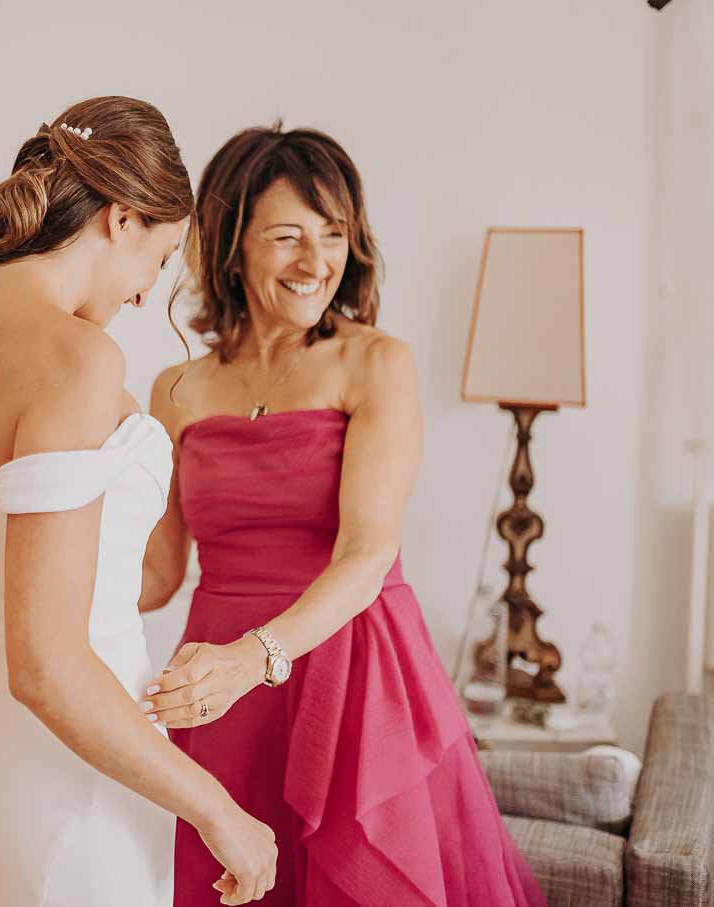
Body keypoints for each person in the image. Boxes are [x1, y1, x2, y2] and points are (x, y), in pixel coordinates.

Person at [0, 97, 277, 907]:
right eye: (160, 258)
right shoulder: (78, 359)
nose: (148, 293)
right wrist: (216, 808)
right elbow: (46, 666)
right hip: (75, 768)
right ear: (121, 219)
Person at [138, 124, 546, 906]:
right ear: (230, 245)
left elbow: (366, 553)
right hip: (222, 696)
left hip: (350, 676)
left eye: (333, 234)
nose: (317, 261)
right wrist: (15, 582)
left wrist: (249, 658)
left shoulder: (375, 362)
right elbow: (157, 571)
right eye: (287, 236)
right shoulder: (176, 389)